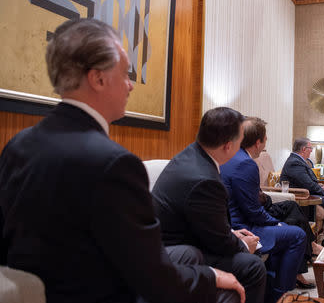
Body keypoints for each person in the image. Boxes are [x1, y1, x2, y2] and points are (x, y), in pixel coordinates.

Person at [0, 18, 244, 303]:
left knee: (187, 254)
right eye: (125, 74)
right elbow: (154, 280)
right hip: (98, 291)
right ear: (98, 78)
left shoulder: (18, 143)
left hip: (38, 285)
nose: (130, 85)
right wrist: (212, 276)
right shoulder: (114, 163)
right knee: (227, 290)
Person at [152, 107, 267, 303]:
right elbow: (218, 242)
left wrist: (231, 234)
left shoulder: (192, 154)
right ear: (228, 146)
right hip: (177, 251)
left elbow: (206, 221)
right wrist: (241, 244)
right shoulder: (204, 180)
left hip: (183, 237)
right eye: (240, 141)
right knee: (253, 265)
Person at [220, 117, 314, 303]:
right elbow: (253, 211)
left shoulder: (230, 157)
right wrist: (276, 222)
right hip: (244, 227)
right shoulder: (246, 164)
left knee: (286, 229)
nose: (264, 145)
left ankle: (270, 288)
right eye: (265, 140)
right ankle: (282, 294)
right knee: (297, 235)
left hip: (232, 221)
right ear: (258, 142)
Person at [280, 138, 324, 244]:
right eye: (310, 148)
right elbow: (307, 184)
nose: (311, 151)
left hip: (308, 192)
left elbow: (308, 181)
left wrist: (322, 187)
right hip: (302, 195)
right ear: (304, 149)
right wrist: (322, 192)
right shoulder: (294, 162)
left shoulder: (300, 161)